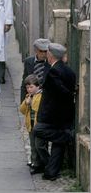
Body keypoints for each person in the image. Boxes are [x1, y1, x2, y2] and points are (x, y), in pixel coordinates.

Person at [33, 43, 76, 181]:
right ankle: (51, 172)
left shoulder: (53, 71)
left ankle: (65, 136)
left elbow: (61, 91)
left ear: (50, 56)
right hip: (65, 115)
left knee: (38, 130)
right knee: (58, 144)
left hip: (54, 115)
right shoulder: (69, 71)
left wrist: (70, 93)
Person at [19, 74, 43, 172]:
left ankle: (41, 163)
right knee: (33, 145)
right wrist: (26, 102)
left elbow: (37, 108)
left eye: (31, 87)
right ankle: (35, 162)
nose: (29, 89)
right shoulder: (28, 96)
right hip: (31, 124)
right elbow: (22, 110)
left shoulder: (40, 96)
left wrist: (30, 102)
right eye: (27, 87)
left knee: (39, 145)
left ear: (37, 86)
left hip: (39, 124)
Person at [20, 38, 50, 103]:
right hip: (31, 97)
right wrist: (22, 101)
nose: (43, 54)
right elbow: (24, 82)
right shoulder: (28, 61)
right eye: (41, 51)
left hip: (45, 98)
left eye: (45, 51)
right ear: (36, 50)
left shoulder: (50, 62)